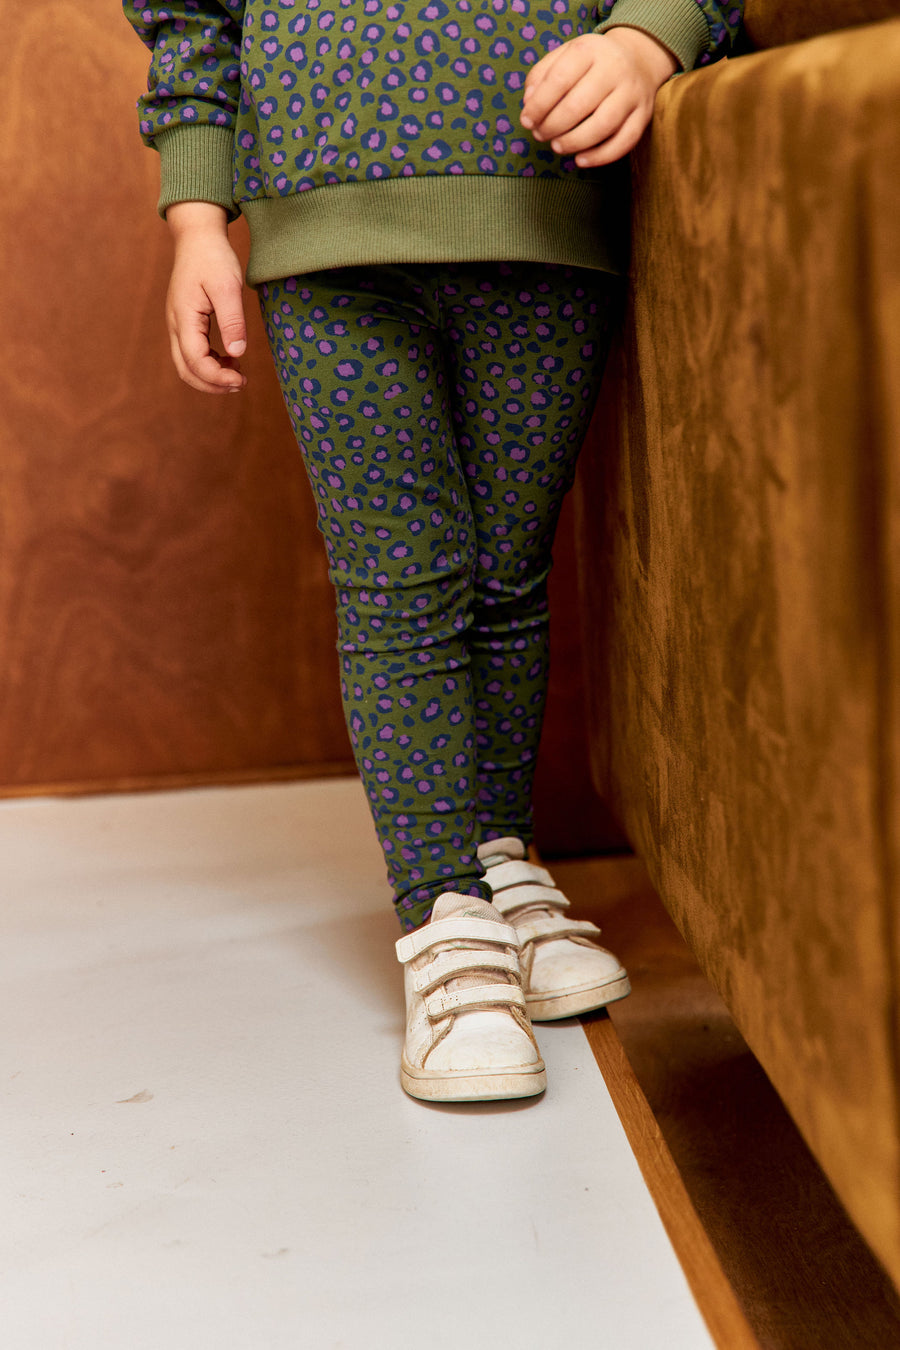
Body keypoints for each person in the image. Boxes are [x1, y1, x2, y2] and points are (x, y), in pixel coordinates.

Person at [125, 0, 742, 1103]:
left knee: (508, 574)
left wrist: (648, 36)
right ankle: (443, 912)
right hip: (329, 236)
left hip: (547, 208)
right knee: (399, 586)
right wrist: (197, 214)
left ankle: (495, 863)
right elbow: (192, 12)